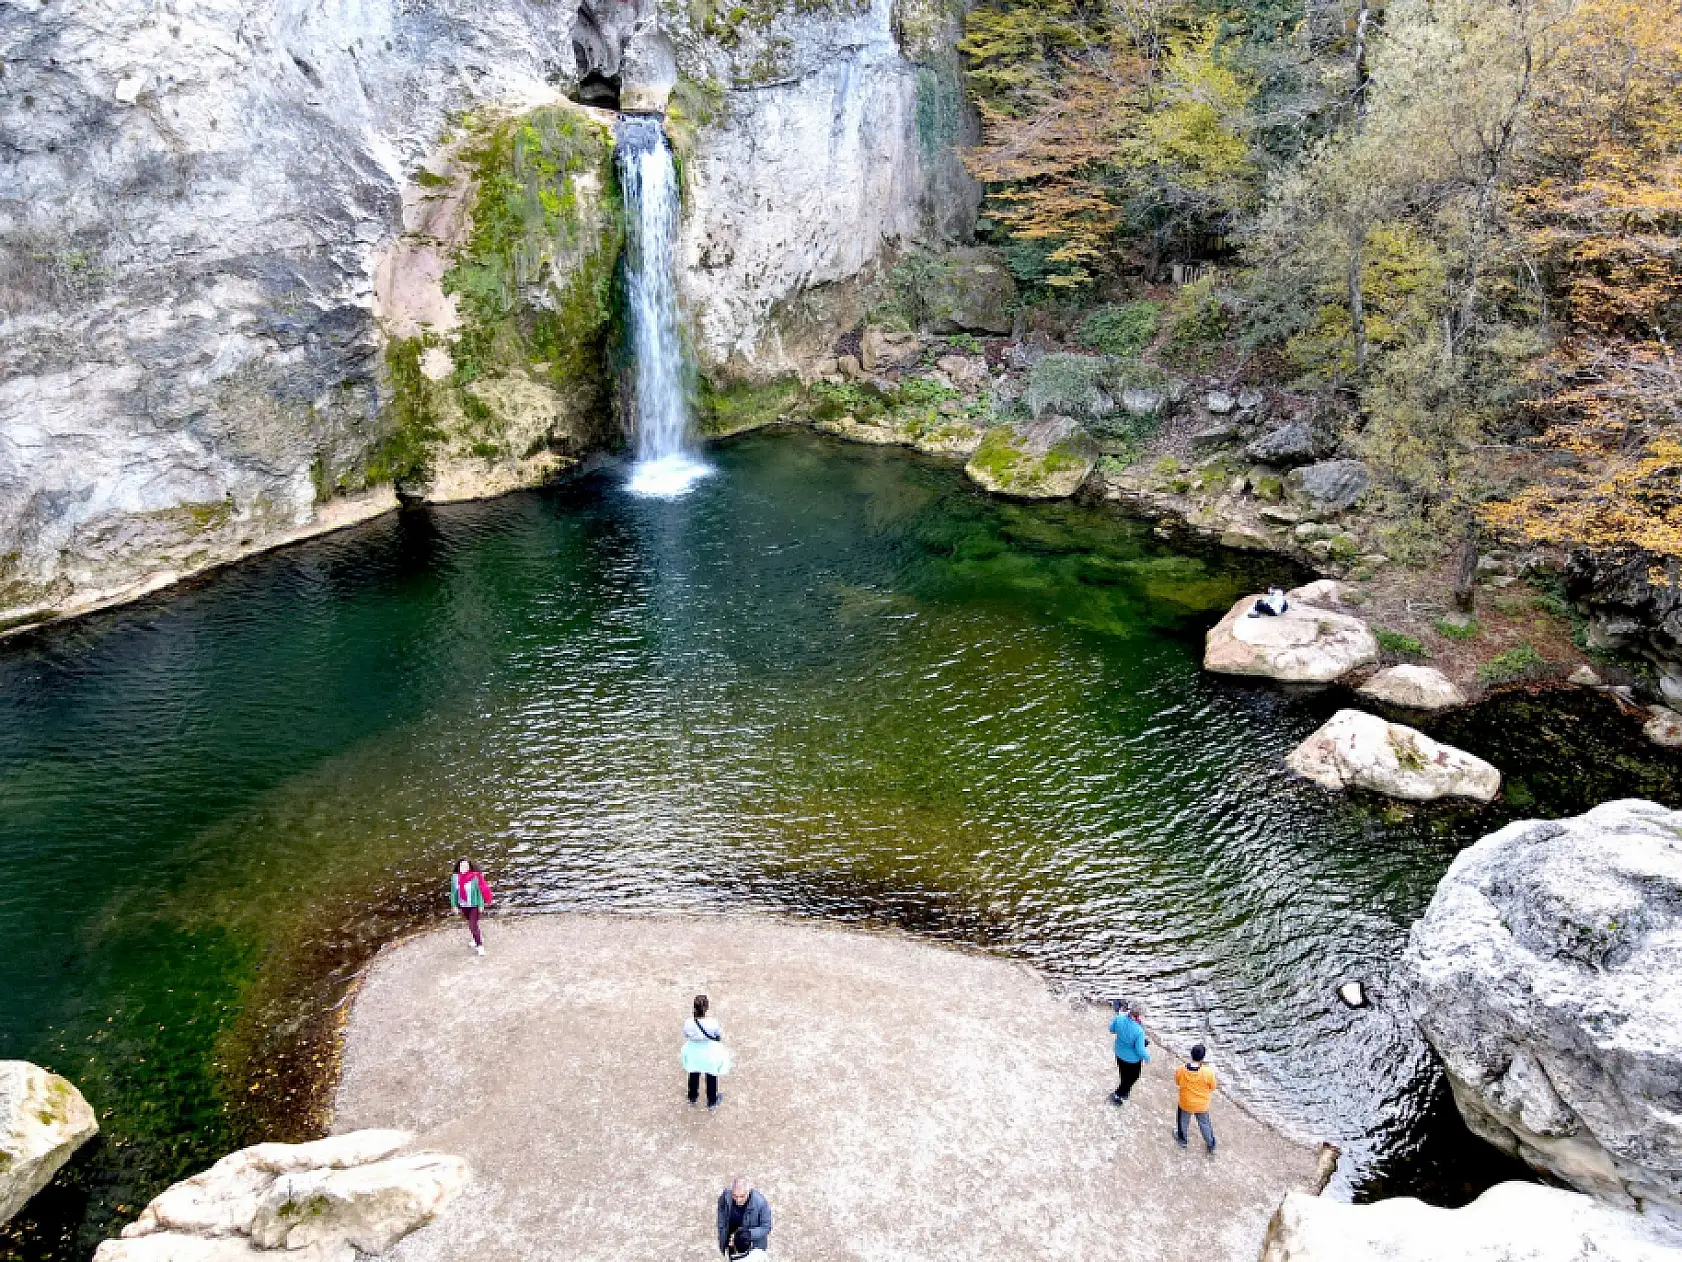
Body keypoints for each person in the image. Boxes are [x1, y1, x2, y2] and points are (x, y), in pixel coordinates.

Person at [684, 994, 731, 1109]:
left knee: (693, 1073)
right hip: (709, 1052)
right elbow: (718, 1035)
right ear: (707, 1008)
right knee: (711, 1074)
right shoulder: (713, 1022)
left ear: (694, 1007)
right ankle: (712, 1101)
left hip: (694, 1051)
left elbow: (686, 1035)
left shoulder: (688, 1022)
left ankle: (692, 1097)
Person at [1174, 1042, 1218, 1154]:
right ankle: (1211, 1144)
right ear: (1203, 1057)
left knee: (1183, 1122)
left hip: (1186, 1103)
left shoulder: (1181, 1069)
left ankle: (1182, 1140)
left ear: (1191, 1054)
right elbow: (1213, 1087)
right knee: (1205, 1124)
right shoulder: (1208, 1072)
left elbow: (1177, 1082)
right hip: (1202, 1104)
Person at [716, 1177, 772, 1258]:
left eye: (742, 1196)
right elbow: (721, 1212)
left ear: (749, 1192)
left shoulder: (761, 1203)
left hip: (753, 1249)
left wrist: (748, 1234)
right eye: (735, 1196)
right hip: (732, 1244)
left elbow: (766, 1227)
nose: (738, 1200)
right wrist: (722, 1230)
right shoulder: (725, 1196)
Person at [1108, 999, 1150, 1104]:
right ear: (1139, 1014)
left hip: (1119, 1053)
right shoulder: (1139, 1031)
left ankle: (1123, 1092)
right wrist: (1147, 1057)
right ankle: (1118, 1094)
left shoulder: (1119, 1018)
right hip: (1132, 1060)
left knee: (1123, 1074)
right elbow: (1140, 1050)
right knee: (1133, 1077)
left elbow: (1111, 1029)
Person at [448, 858, 493, 955]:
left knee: (472, 925)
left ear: (469, 867)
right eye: (461, 866)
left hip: (474, 905)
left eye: (465, 866)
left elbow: (479, 892)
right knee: (472, 924)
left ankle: (480, 946)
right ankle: (477, 938)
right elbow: (453, 893)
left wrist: (481, 905)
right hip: (463, 905)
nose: (463, 868)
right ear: (458, 867)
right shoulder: (455, 878)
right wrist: (454, 905)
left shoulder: (474, 877)